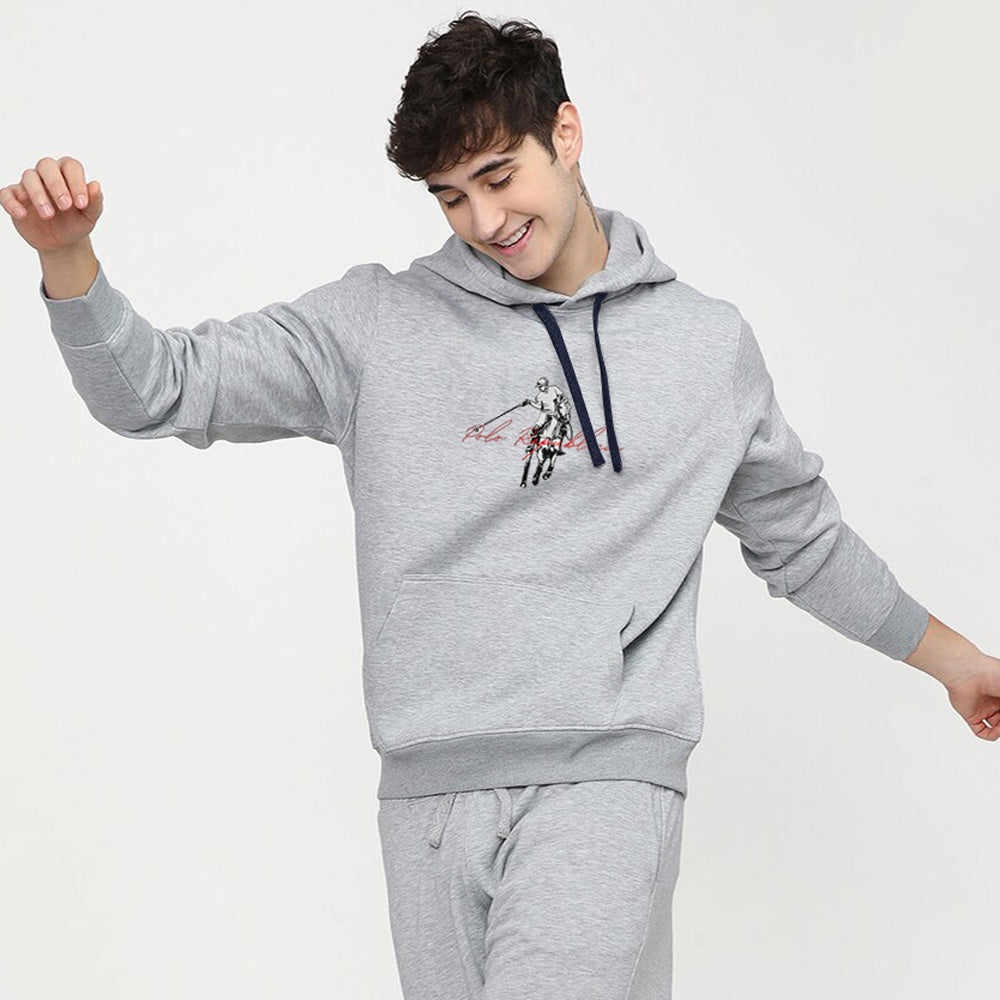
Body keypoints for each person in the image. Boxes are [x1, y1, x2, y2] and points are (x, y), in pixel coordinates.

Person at [4, 10, 998, 1000]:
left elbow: (804, 544)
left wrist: (958, 665)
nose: (484, 221)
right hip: (427, 794)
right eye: (451, 196)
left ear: (565, 133)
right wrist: (68, 259)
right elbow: (157, 389)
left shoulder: (702, 347)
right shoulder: (375, 325)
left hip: (605, 777)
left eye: (498, 176)